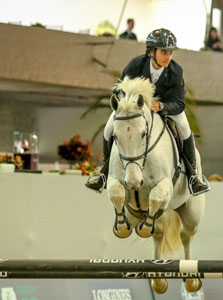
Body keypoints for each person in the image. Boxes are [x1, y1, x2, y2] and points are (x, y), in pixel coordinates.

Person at [86, 28, 210, 196]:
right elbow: (119, 90)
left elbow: (179, 104)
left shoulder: (176, 71)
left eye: (170, 53)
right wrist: (126, 103)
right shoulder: (135, 64)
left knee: (186, 129)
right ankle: (104, 173)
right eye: (164, 52)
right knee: (109, 129)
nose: (168, 57)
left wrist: (162, 107)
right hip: (135, 109)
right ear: (152, 52)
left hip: (165, 107)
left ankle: (193, 175)